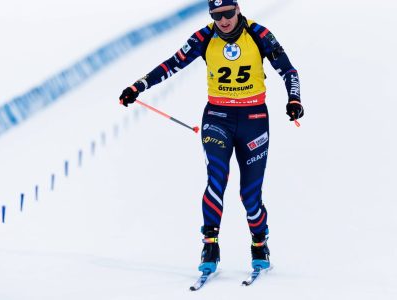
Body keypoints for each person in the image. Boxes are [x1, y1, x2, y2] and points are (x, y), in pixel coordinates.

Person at [119, 0, 303, 273]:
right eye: (217, 16)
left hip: (254, 121)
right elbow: (173, 64)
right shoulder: (204, 37)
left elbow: (288, 70)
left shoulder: (259, 34)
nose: (224, 20)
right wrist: (139, 85)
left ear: (238, 9)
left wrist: (294, 100)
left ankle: (259, 242)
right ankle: (210, 243)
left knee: (250, 195)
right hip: (217, 119)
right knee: (217, 179)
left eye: (228, 13)